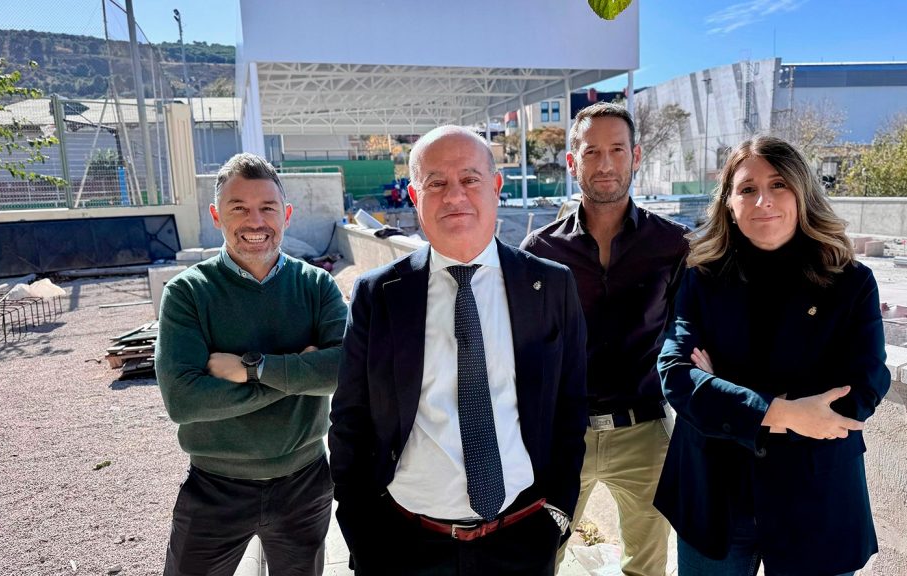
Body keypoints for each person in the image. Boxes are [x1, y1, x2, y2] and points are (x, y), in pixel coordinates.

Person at [329, 125, 588, 575]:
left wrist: (557, 515)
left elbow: (570, 404)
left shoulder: (550, 286)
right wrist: (361, 534)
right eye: (436, 183)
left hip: (521, 539)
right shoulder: (379, 294)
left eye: (469, 179)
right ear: (414, 195)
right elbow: (350, 419)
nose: (454, 196)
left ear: (495, 186)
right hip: (405, 544)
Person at [655, 135, 890, 576]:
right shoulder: (700, 278)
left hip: (815, 497)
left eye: (778, 184)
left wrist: (725, 390)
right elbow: (678, 378)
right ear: (728, 202)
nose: (763, 200)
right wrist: (786, 411)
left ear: (802, 191)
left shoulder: (850, 283)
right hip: (716, 497)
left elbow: (865, 385)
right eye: (746, 188)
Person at [155, 153, 347, 576]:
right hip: (214, 487)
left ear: (287, 214)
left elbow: (342, 371)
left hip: (305, 483)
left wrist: (252, 369)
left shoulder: (316, 286)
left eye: (267, 208)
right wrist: (297, 372)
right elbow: (184, 402)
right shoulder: (188, 293)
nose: (255, 222)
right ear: (216, 215)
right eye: (238, 208)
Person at [521, 102, 688, 576]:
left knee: (648, 565)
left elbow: (688, 333)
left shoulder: (673, 244)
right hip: (562, 436)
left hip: (644, 433)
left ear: (636, 157)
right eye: (592, 151)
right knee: (537, 558)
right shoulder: (541, 251)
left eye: (617, 149)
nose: (606, 163)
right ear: (572, 161)